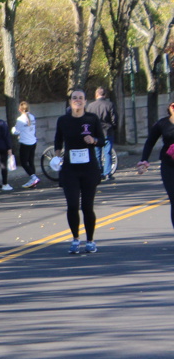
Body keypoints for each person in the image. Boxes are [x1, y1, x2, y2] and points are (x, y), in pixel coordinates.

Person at [54, 89, 106, 254]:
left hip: (89, 169)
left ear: (85, 101)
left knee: (87, 207)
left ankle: (90, 240)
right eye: (74, 98)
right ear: (70, 102)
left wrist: (93, 140)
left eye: (81, 98)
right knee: (72, 205)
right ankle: (75, 239)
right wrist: (56, 157)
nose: (78, 100)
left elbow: (102, 141)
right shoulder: (63, 120)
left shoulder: (92, 118)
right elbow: (58, 140)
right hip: (70, 170)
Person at [135, 99, 174, 229]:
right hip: (169, 165)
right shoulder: (162, 124)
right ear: (170, 107)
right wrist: (144, 160)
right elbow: (150, 142)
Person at [85, 87, 117, 180]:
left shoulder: (90, 106)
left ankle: (99, 172)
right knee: (107, 153)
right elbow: (114, 119)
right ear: (105, 95)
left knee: (97, 153)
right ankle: (107, 173)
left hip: (95, 133)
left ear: (96, 95)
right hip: (107, 131)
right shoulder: (110, 104)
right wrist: (113, 127)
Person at [12, 100, 39, 188]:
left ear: (20, 109)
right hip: (33, 141)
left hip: (25, 143)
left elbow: (16, 131)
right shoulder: (32, 117)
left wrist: (13, 129)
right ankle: (33, 180)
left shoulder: (20, 119)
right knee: (31, 161)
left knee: (23, 162)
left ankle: (33, 177)